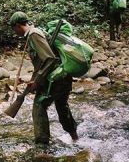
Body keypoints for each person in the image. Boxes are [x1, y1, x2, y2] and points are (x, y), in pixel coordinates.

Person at [9, 12, 78, 145]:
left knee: (39, 105)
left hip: (55, 79)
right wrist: (33, 80)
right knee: (62, 107)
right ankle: (75, 138)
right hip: (62, 76)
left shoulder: (33, 35)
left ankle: (42, 144)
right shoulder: (36, 32)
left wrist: (37, 81)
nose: (14, 32)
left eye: (14, 28)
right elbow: (41, 62)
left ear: (17, 26)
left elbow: (49, 59)